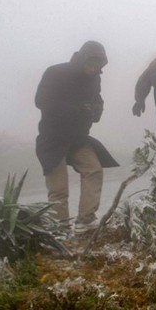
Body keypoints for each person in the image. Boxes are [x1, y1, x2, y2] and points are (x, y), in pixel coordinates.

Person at [35, 41, 119, 233]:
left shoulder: (94, 79)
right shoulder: (55, 72)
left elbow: (97, 99)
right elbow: (41, 101)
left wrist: (97, 110)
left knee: (94, 170)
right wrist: (77, 109)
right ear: (83, 58)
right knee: (59, 188)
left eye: (99, 64)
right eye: (92, 62)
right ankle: (60, 229)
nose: (95, 67)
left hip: (78, 138)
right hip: (52, 138)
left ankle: (85, 221)